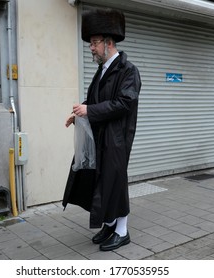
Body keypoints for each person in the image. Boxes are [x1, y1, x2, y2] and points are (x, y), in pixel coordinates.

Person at [63, 8, 141, 251]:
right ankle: (109, 224)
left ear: (108, 43)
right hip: (100, 136)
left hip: (117, 138)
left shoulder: (128, 70)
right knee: (103, 182)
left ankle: (122, 231)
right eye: (90, 44)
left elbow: (124, 103)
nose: (91, 48)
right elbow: (96, 101)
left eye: (94, 43)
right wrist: (79, 113)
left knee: (116, 182)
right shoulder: (102, 70)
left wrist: (90, 111)